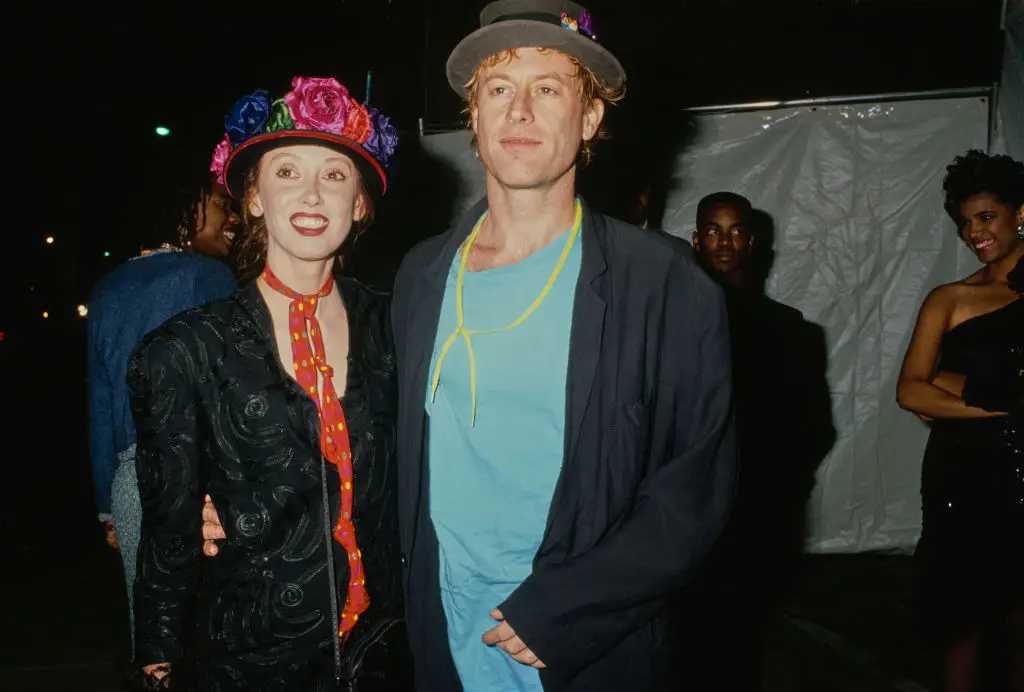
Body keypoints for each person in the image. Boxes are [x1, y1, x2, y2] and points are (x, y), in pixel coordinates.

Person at [391, 1, 737, 689]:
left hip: (581, 643)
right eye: (498, 89)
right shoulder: (421, 275)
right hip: (445, 630)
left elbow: (694, 488)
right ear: (475, 117)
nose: (519, 111)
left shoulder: (662, 282)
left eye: (548, 88)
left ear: (589, 120)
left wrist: (567, 608)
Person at [127, 76, 410, 691]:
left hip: (389, 652)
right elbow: (169, 533)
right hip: (248, 660)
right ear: (251, 197)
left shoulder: (403, 325)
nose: (311, 193)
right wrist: (157, 656)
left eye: (335, 175)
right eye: (286, 172)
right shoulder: (182, 351)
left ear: (360, 203)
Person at [687, 192, 835, 689]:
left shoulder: (790, 331)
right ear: (696, 239)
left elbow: (813, 426)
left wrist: (773, 493)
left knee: (741, 637)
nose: (723, 242)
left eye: (735, 231)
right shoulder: (666, 325)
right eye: (712, 230)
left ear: (752, 241)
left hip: (754, 514)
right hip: (678, 512)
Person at [87, 169, 239, 650]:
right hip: (205, 482)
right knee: (220, 640)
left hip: (132, 483)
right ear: (186, 212)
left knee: (155, 643)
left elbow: (99, 402)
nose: (232, 216)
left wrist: (109, 509)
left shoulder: (108, 288)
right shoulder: (211, 277)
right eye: (220, 204)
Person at [896, 149, 1024, 692]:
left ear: (1020, 212)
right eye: (965, 223)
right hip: (962, 476)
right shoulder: (951, 298)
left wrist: (953, 388)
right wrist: (1011, 398)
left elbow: (937, 387)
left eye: (986, 217)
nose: (974, 233)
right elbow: (910, 390)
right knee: (961, 621)